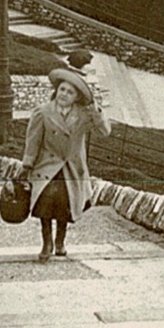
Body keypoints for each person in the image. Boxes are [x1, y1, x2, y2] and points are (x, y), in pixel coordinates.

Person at [19, 67, 110, 262]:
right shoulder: (43, 113)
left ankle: (60, 241)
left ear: (76, 98)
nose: (64, 95)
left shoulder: (83, 115)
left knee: (65, 204)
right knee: (45, 204)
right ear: (56, 91)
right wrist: (27, 165)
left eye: (70, 92)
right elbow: (33, 141)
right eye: (62, 89)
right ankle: (47, 243)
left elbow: (105, 131)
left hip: (71, 168)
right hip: (46, 167)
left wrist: (95, 109)